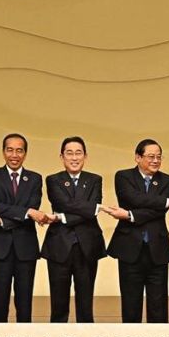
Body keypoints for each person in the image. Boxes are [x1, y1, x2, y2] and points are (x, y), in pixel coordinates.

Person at [105, 139, 169, 323]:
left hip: (157, 248)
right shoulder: (123, 176)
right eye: (151, 156)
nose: (155, 161)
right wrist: (168, 201)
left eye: (159, 157)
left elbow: (158, 212)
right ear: (138, 157)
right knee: (130, 302)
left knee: (158, 304)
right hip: (129, 248)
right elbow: (132, 198)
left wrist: (129, 215)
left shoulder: (167, 180)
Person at [41, 137, 107, 322]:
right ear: (62, 157)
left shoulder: (94, 179)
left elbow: (91, 210)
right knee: (59, 301)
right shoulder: (53, 180)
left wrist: (62, 217)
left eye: (78, 153)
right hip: (59, 245)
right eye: (69, 153)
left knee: (85, 301)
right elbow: (63, 203)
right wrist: (89, 208)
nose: (74, 157)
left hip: (87, 245)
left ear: (85, 156)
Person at [0, 133, 47, 322]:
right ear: (3, 152)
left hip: (25, 247)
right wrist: (27, 212)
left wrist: (2, 220)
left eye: (19, 150)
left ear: (25, 154)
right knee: (0, 300)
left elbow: (33, 206)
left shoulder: (34, 178)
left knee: (25, 301)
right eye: (10, 150)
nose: (14, 155)